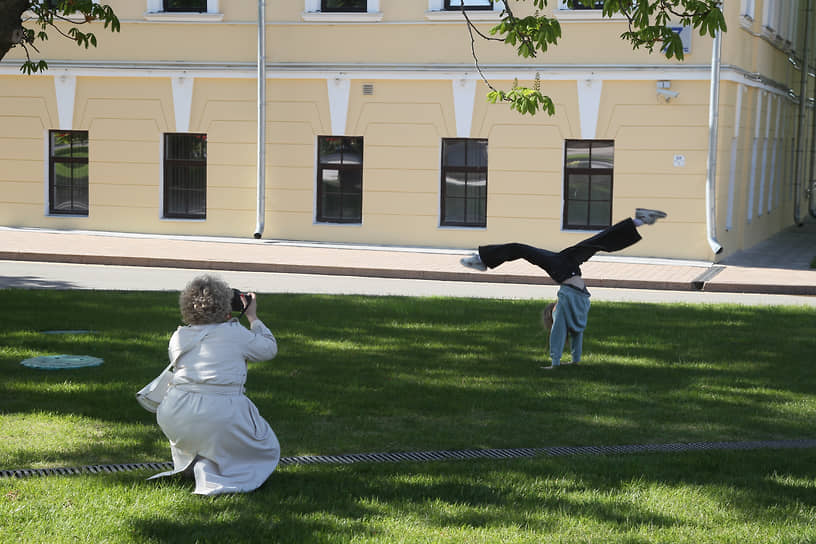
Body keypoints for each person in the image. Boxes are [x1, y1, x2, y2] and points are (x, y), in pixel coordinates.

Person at [460, 208, 667, 370]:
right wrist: (558, 362)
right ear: (553, 313)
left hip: (569, 271)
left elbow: (569, 335)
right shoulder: (568, 317)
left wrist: (565, 361)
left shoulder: (575, 316)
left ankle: (640, 220)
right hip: (566, 270)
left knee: (595, 243)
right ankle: (481, 260)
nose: (552, 308)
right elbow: (566, 335)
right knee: (591, 243)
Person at [148, 274, 280, 495]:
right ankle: (213, 469)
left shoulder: (179, 336)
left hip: (175, 412)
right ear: (225, 305)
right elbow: (269, 349)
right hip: (220, 412)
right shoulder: (235, 333)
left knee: (206, 431)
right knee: (264, 441)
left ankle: (197, 463)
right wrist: (253, 317)